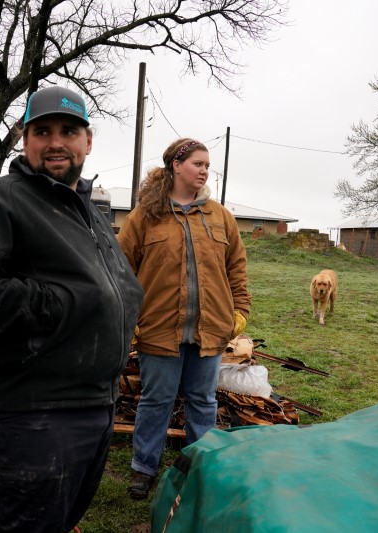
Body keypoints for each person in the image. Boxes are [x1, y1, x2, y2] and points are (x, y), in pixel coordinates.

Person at [0, 86, 144, 532]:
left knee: (58, 521)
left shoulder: (86, 209)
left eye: (68, 131)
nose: (55, 142)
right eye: (42, 131)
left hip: (94, 401)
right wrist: (56, 302)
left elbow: (109, 286)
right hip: (35, 409)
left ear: (88, 141)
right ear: (24, 139)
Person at [116, 138, 251, 499]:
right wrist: (130, 318)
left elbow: (236, 267)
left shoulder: (220, 216)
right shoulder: (146, 215)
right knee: (156, 401)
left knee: (203, 401)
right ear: (176, 166)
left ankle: (198, 466)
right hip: (158, 329)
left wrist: (239, 311)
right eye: (198, 163)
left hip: (209, 329)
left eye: (208, 165)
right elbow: (121, 271)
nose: (205, 170)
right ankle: (144, 467)